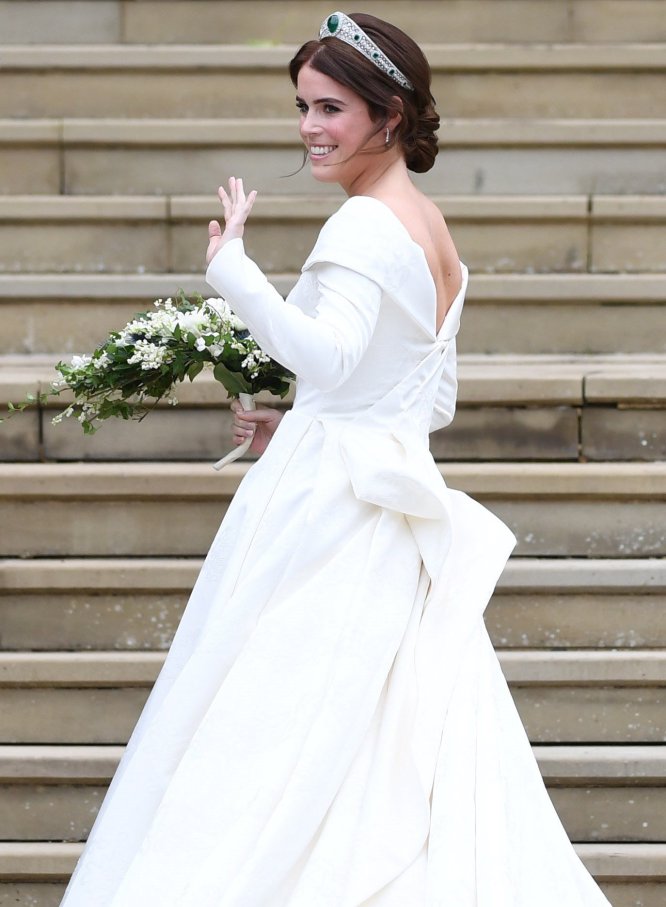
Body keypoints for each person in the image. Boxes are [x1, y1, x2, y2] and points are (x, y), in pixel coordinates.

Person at [60, 12, 613, 906]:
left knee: (275, 735)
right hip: (388, 504)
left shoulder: (361, 226)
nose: (311, 126)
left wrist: (234, 273)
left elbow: (330, 358)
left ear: (389, 116)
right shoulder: (432, 229)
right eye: (303, 106)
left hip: (329, 517)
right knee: (378, 739)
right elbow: (428, 399)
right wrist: (311, 416)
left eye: (333, 108)